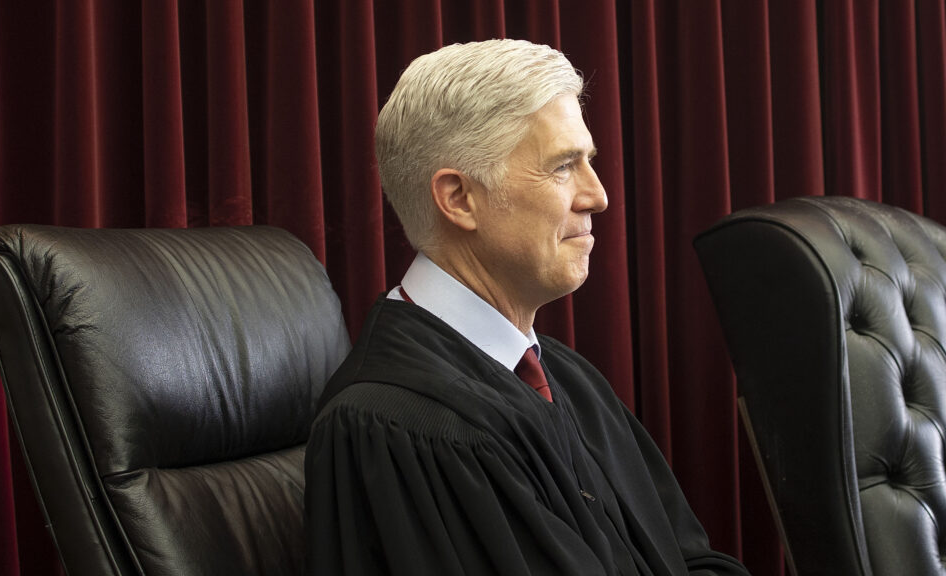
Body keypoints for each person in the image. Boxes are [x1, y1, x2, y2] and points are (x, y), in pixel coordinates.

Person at [305, 39, 751, 576]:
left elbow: (691, 560)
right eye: (563, 166)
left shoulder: (567, 378)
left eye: (589, 161)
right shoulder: (397, 426)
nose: (598, 196)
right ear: (459, 198)